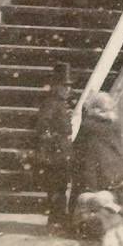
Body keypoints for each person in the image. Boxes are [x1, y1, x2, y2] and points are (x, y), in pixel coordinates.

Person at [71, 92, 123, 226]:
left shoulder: (89, 125)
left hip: (94, 168)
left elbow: (79, 146)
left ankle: (89, 227)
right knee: (119, 197)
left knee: (92, 199)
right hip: (114, 166)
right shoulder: (115, 123)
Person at [34, 62, 73, 234]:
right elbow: (43, 127)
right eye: (65, 86)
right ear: (56, 86)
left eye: (69, 86)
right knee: (56, 188)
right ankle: (56, 222)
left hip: (61, 151)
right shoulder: (52, 103)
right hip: (55, 152)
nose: (68, 89)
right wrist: (55, 142)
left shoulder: (60, 103)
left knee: (60, 187)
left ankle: (58, 220)